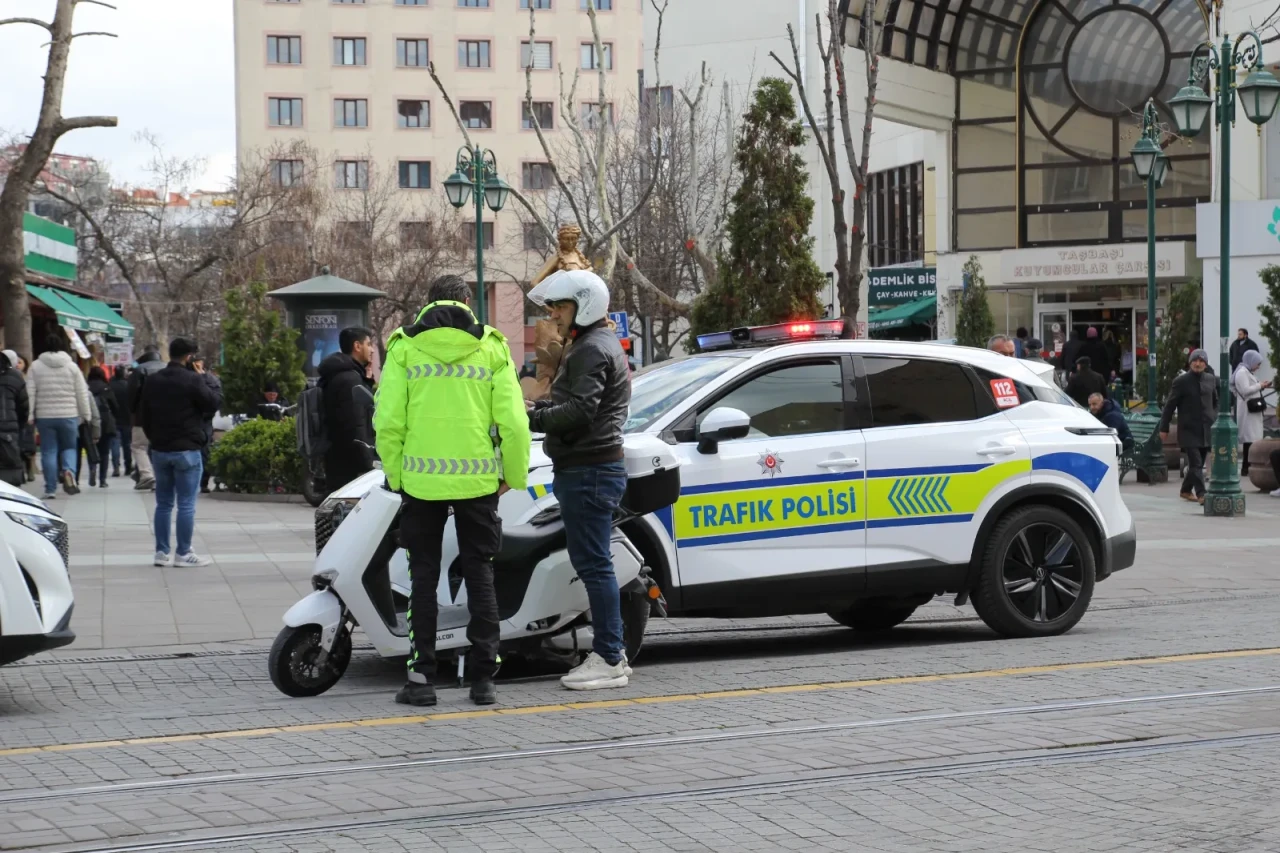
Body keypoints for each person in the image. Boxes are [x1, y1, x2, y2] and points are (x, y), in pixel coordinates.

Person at [376, 275, 530, 707]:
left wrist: (396, 475)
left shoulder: (404, 348)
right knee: (480, 572)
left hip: (420, 483)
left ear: (427, 304)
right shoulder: (492, 347)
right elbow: (516, 424)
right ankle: (483, 680)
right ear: (467, 301)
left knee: (422, 576)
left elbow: (388, 422)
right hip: (479, 481)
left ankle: (421, 679)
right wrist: (512, 476)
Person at [526, 269, 633, 691]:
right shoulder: (594, 343)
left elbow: (580, 411)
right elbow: (574, 401)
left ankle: (608, 656)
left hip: (589, 469)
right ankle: (613, 654)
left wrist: (532, 417)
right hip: (591, 466)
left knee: (594, 565)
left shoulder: (590, 348)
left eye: (560, 306)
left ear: (584, 305)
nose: (553, 314)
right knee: (595, 562)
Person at [139, 338, 218, 567]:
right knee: (186, 504)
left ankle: (161, 553)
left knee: (163, 503)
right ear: (190, 356)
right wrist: (204, 376)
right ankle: (183, 553)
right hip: (187, 448)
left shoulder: (153, 381)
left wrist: (154, 438)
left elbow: (143, 415)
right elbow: (212, 403)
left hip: (161, 449)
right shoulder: (193, 379)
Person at [29, 334, 93, 499]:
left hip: (45, 416)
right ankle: (69, 471)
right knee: (69, 448)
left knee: (49, 451)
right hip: (69, 415)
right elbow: (82, 393)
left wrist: (30, 414)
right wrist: (86, 414)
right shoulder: (72, 367)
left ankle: (50, 489)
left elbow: (30, 393)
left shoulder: (35, 367)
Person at [319, 327, 377, 491]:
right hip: (348, 463)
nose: (372, 349)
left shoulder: (340, 374)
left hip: (337, 458)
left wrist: (367, 382)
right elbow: (355, 423)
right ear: (357, 346)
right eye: (369, 344)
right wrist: (368, 462)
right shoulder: (349, 379)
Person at [1159, 349, 1217, 504]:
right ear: (1190, 363)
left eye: (1201, 361)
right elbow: (1170, 406)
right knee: (1197, 463)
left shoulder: (1211, 379)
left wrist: (1215, 419)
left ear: (1205, 364)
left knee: (1196, 464)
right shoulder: (1181, 381)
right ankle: (1202, 494)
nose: (1198, 364)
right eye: (1195, 361)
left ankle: (1185, 490)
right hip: (1188, 430)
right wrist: (1163, 427)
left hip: (1206, 429)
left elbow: (1215, 401)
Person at [128, 344, 167, 491]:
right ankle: (161, 477)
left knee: (138, 446)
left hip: (141, 417)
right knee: (160, 447)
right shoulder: (167, 368)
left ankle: (146, 474)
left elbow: (131, 396)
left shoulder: (139, 370)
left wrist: (132, 411)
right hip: (165, 417)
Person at [1232, 349, 1270, 476]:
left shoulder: (1247, 372)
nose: (1258, 367)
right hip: (1248, 411)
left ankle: (1249, 466)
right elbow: (1245, 390)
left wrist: (1261, 385)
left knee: (1253, 438)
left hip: (1252, 410)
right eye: (1257, 363)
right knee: (1249, 440)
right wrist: (1260, 385)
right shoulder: (1242, 373)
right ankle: (1246, 467)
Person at [190, 356, 222, 493]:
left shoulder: (209, 379)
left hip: (204, 421)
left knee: (204, 452)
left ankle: (203, 482)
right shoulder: (185, 378)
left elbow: (214, 399)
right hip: (188, 421)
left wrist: (202, 377)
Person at [86, 366, 122, 488]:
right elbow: (115, 406)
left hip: (89, 421)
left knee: (91, 449)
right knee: (105, 452)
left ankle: (92, 468)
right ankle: (102, 479)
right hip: (105, 422)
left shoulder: (85, 387)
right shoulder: (106, 388)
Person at [0, 351, 30, 488]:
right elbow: (23, 407)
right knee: (10, 470)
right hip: (9, 433)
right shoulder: (15, 377)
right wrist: (18, 425)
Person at [109, 366, 132, 477]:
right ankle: (128, 466)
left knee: (115, 444)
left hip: (114, 418)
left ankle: (116, 467)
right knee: (127, 444)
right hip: (127, 419)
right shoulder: (128, 385)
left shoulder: (110, 386)